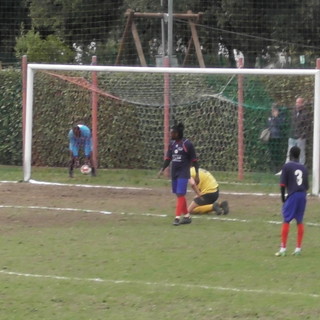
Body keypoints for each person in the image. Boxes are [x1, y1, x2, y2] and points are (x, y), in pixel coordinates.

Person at [158, 122, 199, 226]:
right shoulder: (171, 144)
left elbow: (194, 160)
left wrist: (197, 174)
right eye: (171, 132)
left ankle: (177, 218)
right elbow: (168, 158)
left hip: (184, 172)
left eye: (173, 132)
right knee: (178, 194)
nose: (171, 134)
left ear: (178, 133)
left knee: (181, 193)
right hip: (174, 172)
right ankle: (187, 216)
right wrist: (162, 169)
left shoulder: (187, 144)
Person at [275, 146, 308, 257]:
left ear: (289, 154)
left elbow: (282, 185)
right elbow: (306, 186)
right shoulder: (304, 168)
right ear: (299, 155)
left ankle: (283, 249)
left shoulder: (287, 166)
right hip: (302, 195)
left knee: (286, 220)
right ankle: (298, 248)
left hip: (293, 195)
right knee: (299, 220)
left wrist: (283, 198)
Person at [266, 104, 285, 173]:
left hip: (277, 137)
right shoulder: (269, 117)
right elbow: (268, 125)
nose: (273, 111)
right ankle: (273, 168)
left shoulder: (281, 117)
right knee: (272, 153)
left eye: (275, 110)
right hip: (271, 137)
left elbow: (281, 125)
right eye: (272, 110)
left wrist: (276, 117)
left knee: (277, 153)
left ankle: (278, 168)